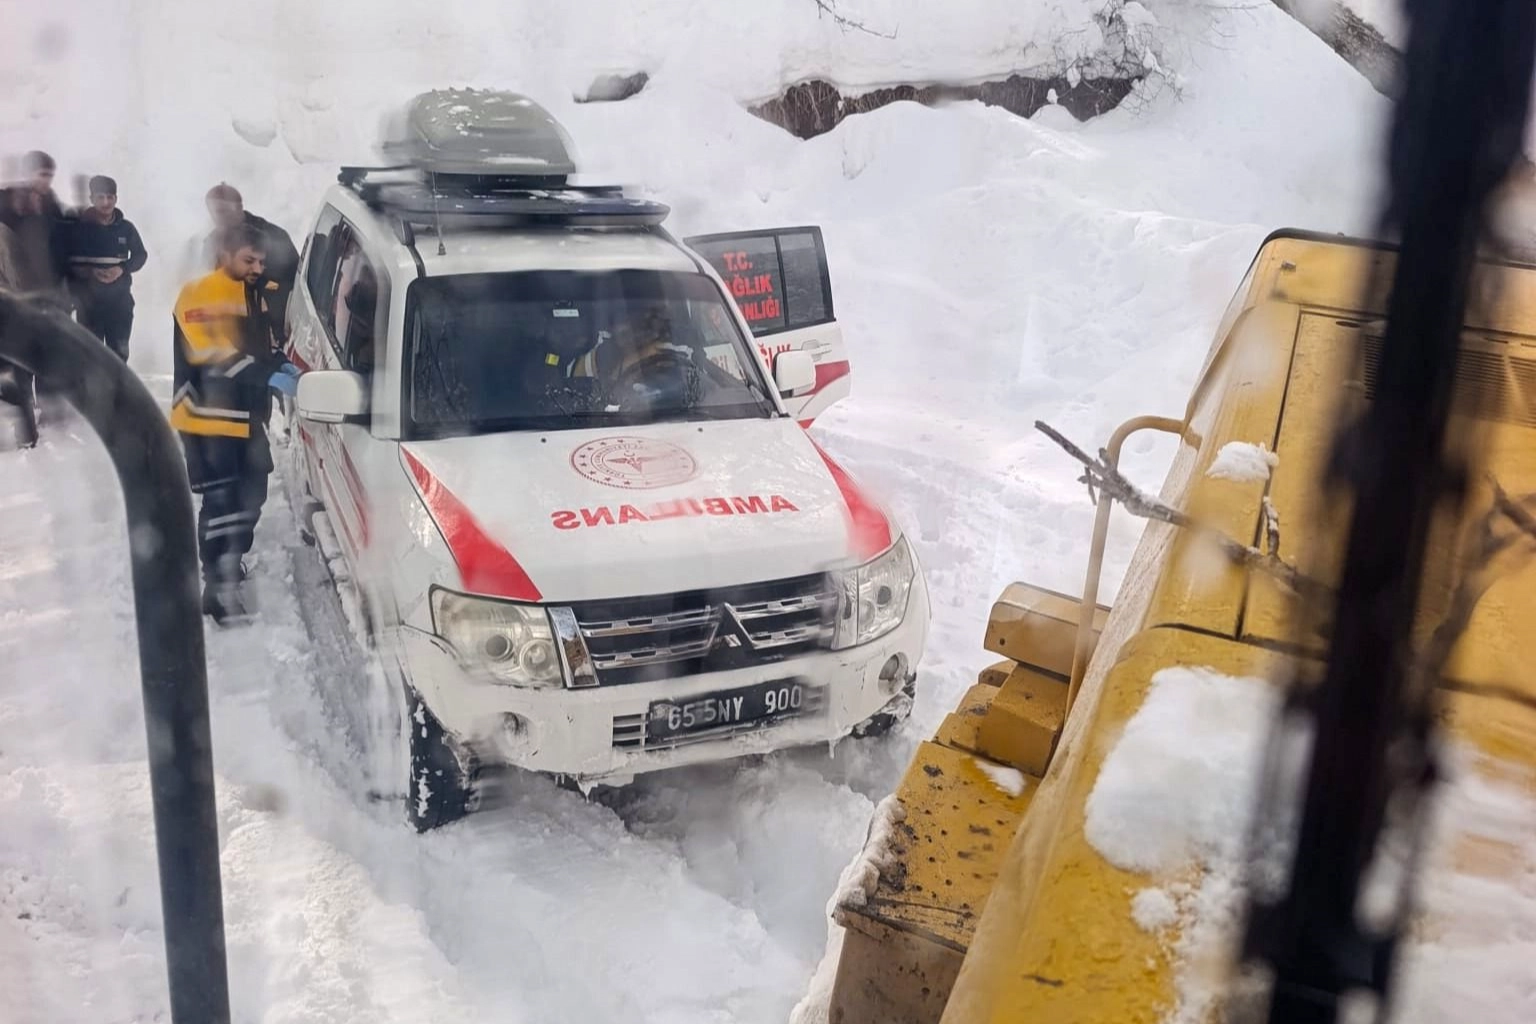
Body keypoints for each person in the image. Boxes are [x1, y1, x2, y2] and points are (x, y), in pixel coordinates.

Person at [171, 223, 300, 624]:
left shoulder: (252, 294)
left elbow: (260, 345)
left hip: (245, 418)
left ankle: (231, 560)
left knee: (252, 495)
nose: (257, 268)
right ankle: (216, 586)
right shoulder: (198, 294)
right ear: (224, 255)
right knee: (221, 504)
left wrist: (280, 362)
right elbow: (215, 356)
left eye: (261, 261)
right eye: (249, 260)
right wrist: (268, 375)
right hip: (207, 421)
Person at [0, 151, 68, 447]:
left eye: (49, 176)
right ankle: (26, 426)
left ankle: (47, 414)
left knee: (45, 354)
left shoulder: (50, 204)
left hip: (45, 294)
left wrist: (63, 290)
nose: (46, 181)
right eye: (42, 175)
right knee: (18, 362)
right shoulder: (7, 201)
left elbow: (60, 247)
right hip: (15, 297)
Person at [184, 183, 300, 336]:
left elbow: (296, 281)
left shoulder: (273, 237)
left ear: (239, 208)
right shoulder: (212, 244)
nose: (218, 218)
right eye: (214, 212)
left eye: (223, 211)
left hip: (276, 322)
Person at [59, 175, 147, 361]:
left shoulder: (126, 228)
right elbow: (66, 262)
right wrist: (90, 272)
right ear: (92, 199)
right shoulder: (78, 228)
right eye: (100, 197)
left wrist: (122, 268)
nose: (106, 202)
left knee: (119, 356)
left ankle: (117, 382)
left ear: (116, 198)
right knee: (91, 358)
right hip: (89, 306)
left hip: (120, 305)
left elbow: (141, 255)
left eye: (110, 197)